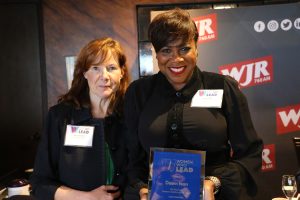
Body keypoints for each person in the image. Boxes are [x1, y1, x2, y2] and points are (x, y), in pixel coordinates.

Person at [124, 8, 263, 200]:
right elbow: (133, 159)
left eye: (184, 48)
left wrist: (214, 183)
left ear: (196, 48)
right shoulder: (138, 93)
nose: (176, 59)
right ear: (156, 55)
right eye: (166, 51)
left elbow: (250, 153)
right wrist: (141, 189)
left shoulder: (223, 87)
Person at [30, 37, 130, 200]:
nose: (104, 76)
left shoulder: (131, 116)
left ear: (121, 72)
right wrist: (88, 197)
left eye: (111, 68)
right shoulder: (60, 116)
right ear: (84, 73)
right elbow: (40, 184)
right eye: (96, 68)